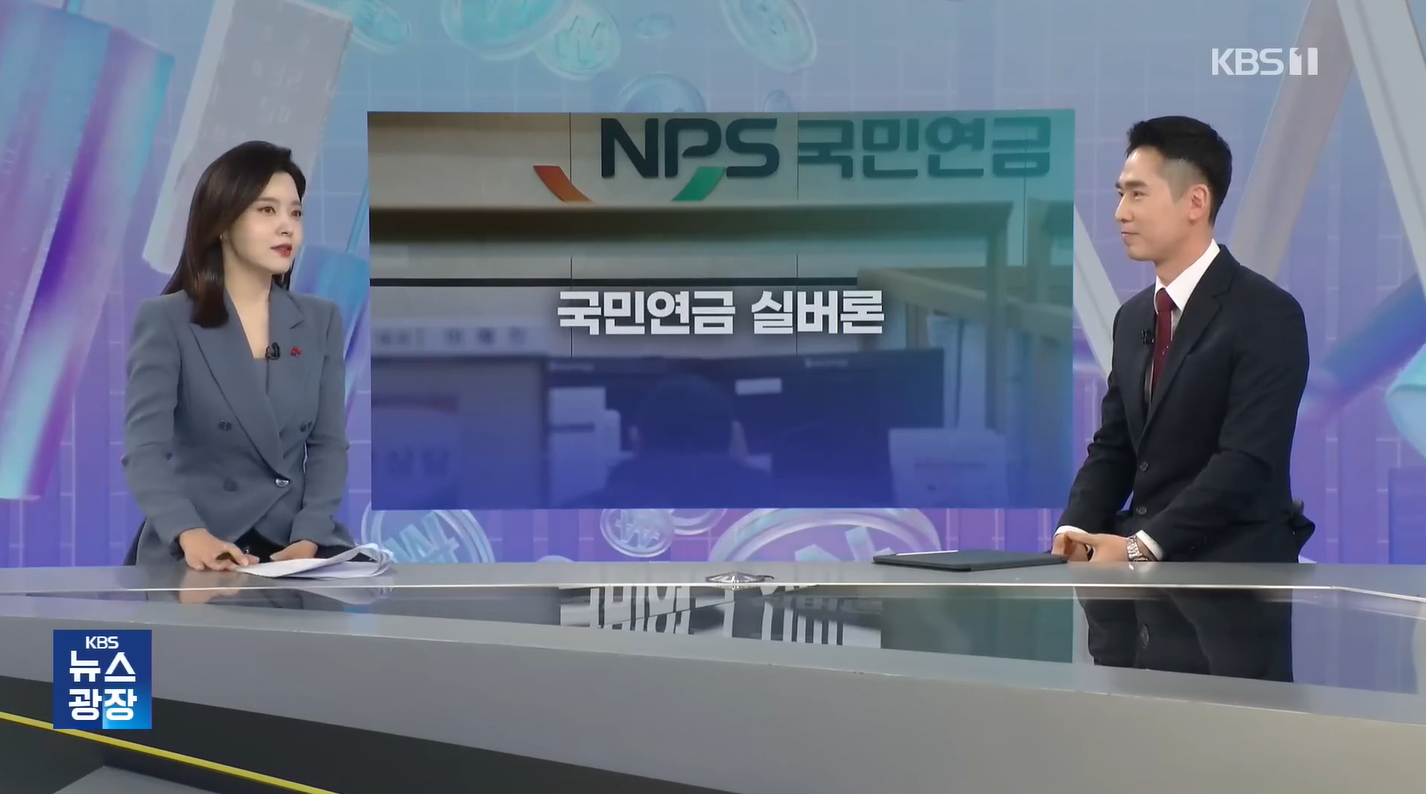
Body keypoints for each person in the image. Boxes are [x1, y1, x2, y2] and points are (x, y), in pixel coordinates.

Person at [1050, 116, 1312, 680]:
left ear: (1196, 201)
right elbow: (1116, 446)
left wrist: (1141, 547)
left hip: (1229, 599)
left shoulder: (1266, 314)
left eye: (1137, 194)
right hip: (1133, 613)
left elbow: (1247, 460)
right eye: (1120, 194)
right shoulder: (1133, 319)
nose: (1120, 212)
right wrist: (1073, 532)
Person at [122, 141, 352, 570]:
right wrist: (190, 533)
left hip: (295, 544)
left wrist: (310, 535)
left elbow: (328, 446)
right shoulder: (167, 320)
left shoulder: (320, 320)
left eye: (295, 213)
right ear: (223, 223)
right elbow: (144, 453)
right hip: (199, 541)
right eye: (267, 210)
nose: (287, 227)